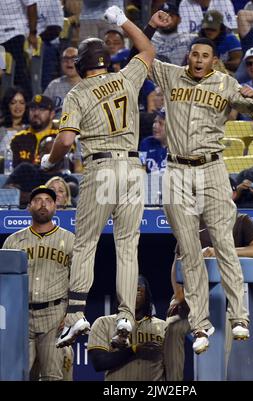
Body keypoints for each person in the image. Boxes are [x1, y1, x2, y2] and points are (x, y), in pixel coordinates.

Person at [136, 11, 253, 355]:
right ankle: (200, 324)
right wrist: (151, 25)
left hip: (212, 168)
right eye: (195, 54)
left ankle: (238, 316)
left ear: (214, 61)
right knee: (188, 249)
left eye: (205, 56)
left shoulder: (226, 83)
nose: (198, 60)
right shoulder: (170, 75)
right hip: (177, 170)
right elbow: (141, 50)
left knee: (224, 244)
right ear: (189, 57)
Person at [41, 5, 157, 348]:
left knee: (86, 243)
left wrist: (50, 160)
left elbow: (65, 140)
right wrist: (120, 19)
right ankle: (126, 315)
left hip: (101, 167)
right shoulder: (125, 77)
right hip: (134, 169)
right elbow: (148, 49)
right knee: (127, 246)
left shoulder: (77, 92)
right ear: (105, 60)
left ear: (80, 67)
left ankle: (76, 316)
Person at [164, 179, 253, 381]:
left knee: (220, 345)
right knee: (172, 329)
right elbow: (177, 261)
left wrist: (221, 251)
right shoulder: (193, 222)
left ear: (232, 194)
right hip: (193, 301)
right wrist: (178, 295)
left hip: (225, 302)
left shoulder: (241, 220)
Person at [2, 185, 75, 380]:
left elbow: (78, 280)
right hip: (21, 316)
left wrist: (71, 314)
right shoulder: (13, 241)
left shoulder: (70, 240)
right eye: (38, 200)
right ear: (29, 207)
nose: (43, 204)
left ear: (55, 208)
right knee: (17, 374)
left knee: (53, 375)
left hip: (54, 314)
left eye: (48, 201)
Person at [88, 275, 167, 381]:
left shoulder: (164, 327)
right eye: (128, 290)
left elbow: (170, 366)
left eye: (138, 289)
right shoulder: (103, 323)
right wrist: (134, 349)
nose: (133, 294)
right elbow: (99, 362)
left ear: (146, 294)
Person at [43, 47, 81, 119]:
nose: (69, 62)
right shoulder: (54, 85)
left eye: (73, 59)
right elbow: (42, 109)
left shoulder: (89, 85)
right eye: (65, 59)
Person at [0, 87, 29, 154]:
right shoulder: (1, 129)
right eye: (13, 103)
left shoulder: (31, 129)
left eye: (22, 103)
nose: (18, 106)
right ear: (7, 105)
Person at [139, 108, 167, 173]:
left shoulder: (177, 149)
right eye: (154, 122)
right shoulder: (146, 143)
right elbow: (140, 171)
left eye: (160, 123)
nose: (154, 126)